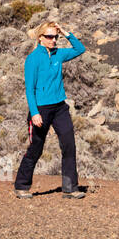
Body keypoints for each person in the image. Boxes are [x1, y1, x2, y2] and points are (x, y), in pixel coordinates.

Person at [17, 22, 86, 199]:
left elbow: (80, 49)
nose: (53, 40)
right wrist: (34, 113)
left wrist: (66, 32)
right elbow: (29, 89)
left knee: (69, 145)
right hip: (41, 108)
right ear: (40, 37)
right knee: (36, 148)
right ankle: (22, 186)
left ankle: (70, 188)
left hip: (60, 107)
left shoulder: (58, 54)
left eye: (55, 37)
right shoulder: (33, 58)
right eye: (49, 36)